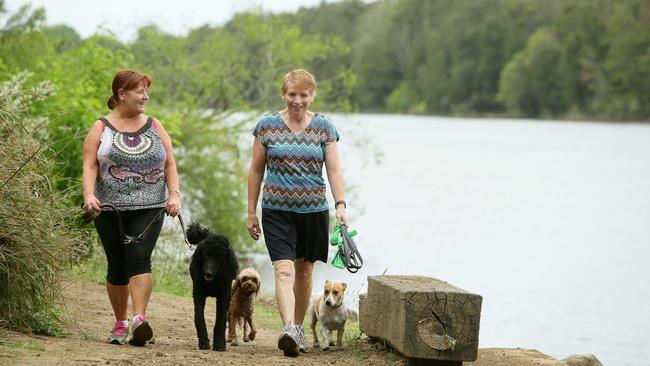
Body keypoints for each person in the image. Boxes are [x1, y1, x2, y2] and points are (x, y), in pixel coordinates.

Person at [247, 69, 349, 357]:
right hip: (276, 210)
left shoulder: (325, 128)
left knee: (305, 272)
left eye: (304, 95)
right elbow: (255, 170)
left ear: (312, 96)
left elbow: (334, 170)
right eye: (292, 94)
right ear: (283, 94)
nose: (298, 100)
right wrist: (251, 212)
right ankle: (289, 328)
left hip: (313, 211)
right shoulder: (266, 126)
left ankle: (300, 328)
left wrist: (340, 205)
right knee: (283, 269)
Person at [81, 69, 181, 346]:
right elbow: (90, 164)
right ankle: (120, 322)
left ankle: (139, 319)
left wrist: (174, 195)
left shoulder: (155, 125)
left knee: (139, 258)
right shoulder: (100, 127)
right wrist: (89, 195)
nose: (145, 97)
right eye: (140, 91)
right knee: (116, 265)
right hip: (109, 207)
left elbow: (170, 163)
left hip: (150, 206)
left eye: (146, 91)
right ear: (121, 94)